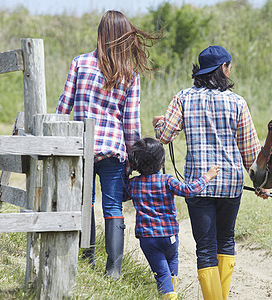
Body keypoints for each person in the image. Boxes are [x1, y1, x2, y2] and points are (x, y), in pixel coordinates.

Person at [55, 10, 160, 280]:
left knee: (85, 204)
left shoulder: (79, 63)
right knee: (113, 208)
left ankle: (85, 260)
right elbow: (131, 123)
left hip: (82, 148)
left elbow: (63, 108)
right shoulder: (129, 73)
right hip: (114, 150)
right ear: (124, 37)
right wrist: (132, 160)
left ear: (101, 34)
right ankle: (113, 271)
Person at [153, 45, 260, 300]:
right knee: (226, 242)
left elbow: (165, 136)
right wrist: (260, 184)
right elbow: (250, 151)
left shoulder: (183, 97)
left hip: (198, 184)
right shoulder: (237, 102)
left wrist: (159, 123)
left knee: (206, 249)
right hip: (231, 184)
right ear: (223, 68)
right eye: (229, 65)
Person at [127, 137, 220, 299]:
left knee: (161, 272)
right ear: (161, 162)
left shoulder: (133, 184)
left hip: (148, 238)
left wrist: (127, 171)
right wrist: (207, 177)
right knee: (171, 263)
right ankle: (171, 292)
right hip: (169, 237)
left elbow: (120, 196)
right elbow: (189, 190)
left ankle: (169, 294)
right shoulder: (167, 180)